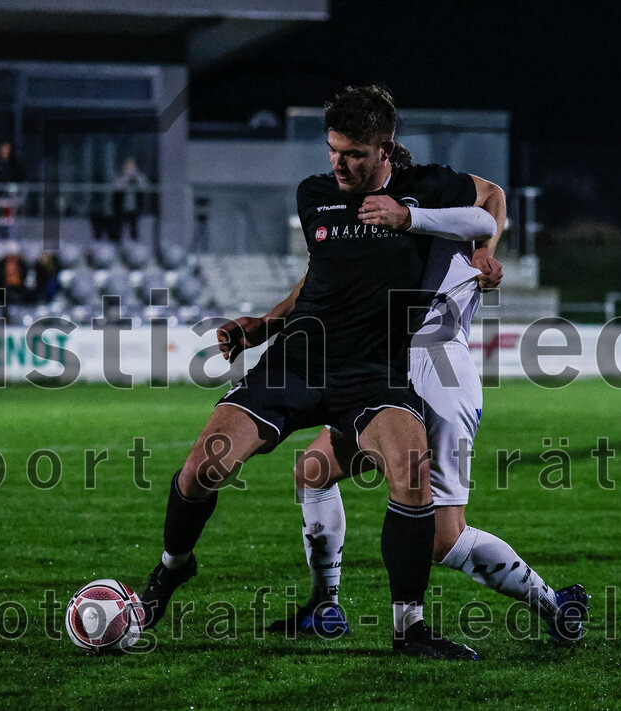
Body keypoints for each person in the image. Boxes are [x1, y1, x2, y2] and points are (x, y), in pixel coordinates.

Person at [136, 85, 502, 659]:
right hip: (300, 359)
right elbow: (318, 278)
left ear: (384, 148)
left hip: (374, 370)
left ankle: (409, 629)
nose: (338, 163)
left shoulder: (426, 187)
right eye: (333, 149)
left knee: (411, 471)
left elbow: (492, 197)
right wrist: (264, 323)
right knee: (200, 468)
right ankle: (172, 568)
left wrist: (484, 249)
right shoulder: (315, 196)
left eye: (353, 153)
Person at [250, 145, 588, 644]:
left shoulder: (434, 213)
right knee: (315, 471)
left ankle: (554, 604)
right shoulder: (376, 223)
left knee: (442, 537)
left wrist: (482, 252)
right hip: (384, 367)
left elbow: (486, 204)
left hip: (437, 372)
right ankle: (324, 607)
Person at [111, 156, 149, 242]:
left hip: (134, 208)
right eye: (128, 166)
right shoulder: (120, 176)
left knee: (134, 227)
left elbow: (144, 186)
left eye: (132, 166)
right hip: (122, 207)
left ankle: (134, 243)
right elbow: (117, 187)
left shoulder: (139, 177)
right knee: (119, 227)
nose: (130, 168)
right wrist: (126, 176)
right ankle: (118, 242)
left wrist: (136, 175)